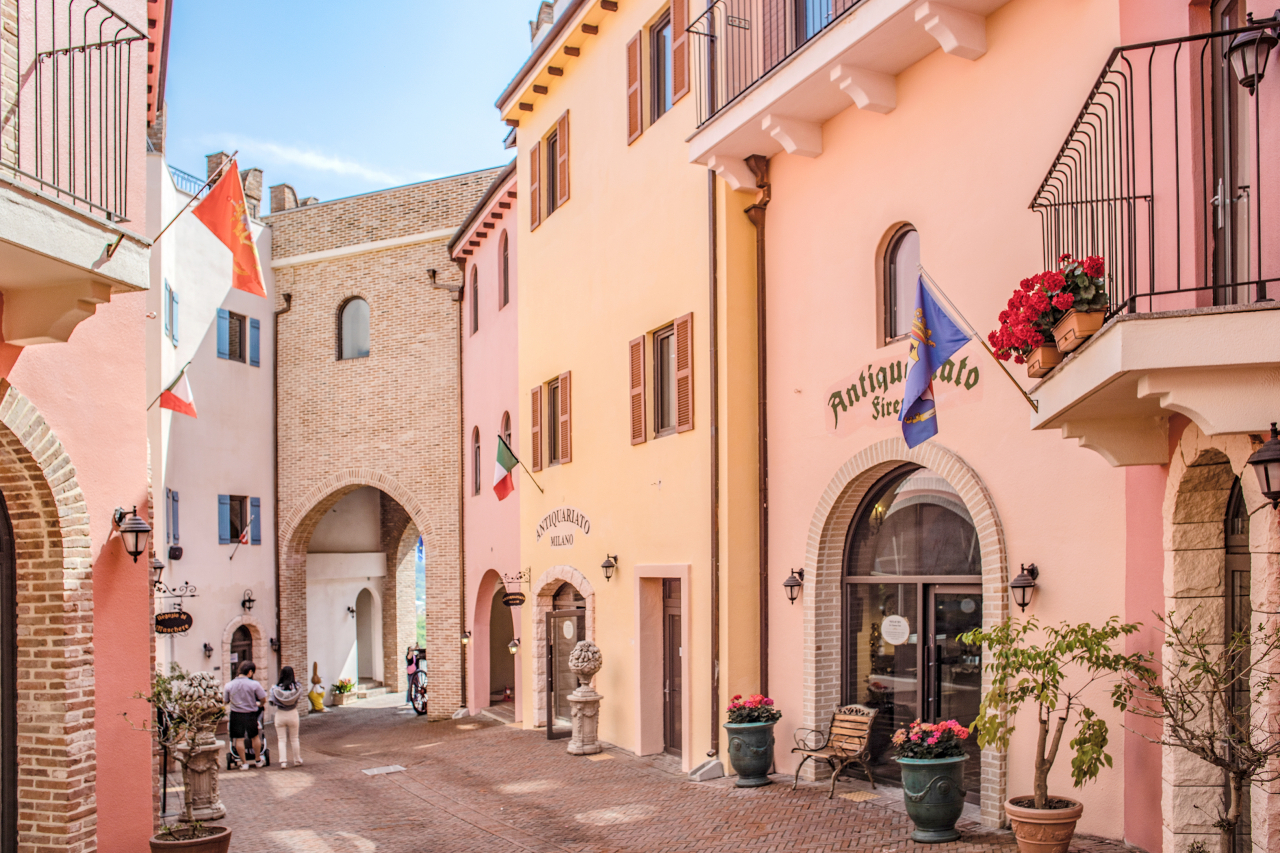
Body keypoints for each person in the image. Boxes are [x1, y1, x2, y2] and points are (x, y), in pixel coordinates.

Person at [224, 661, 267, 769]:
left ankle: (244, 763)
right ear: (250, 672)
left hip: (236, 714)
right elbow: (263, 698)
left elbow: (225, 700)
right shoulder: (254, 684)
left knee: (239, 739)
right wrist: (260, 704)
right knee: (254, 736)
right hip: (250, 714)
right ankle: (257, 760)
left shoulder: (229, 685)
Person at [269, 666, 303, 768]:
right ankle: (297, 760)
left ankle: (283, 761)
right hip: (293, 713)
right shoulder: (297, 688)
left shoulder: (275, 689)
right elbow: (299, 698)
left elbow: (272, 702)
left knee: (281, 739)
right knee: (294, 738)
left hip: (280, 714)